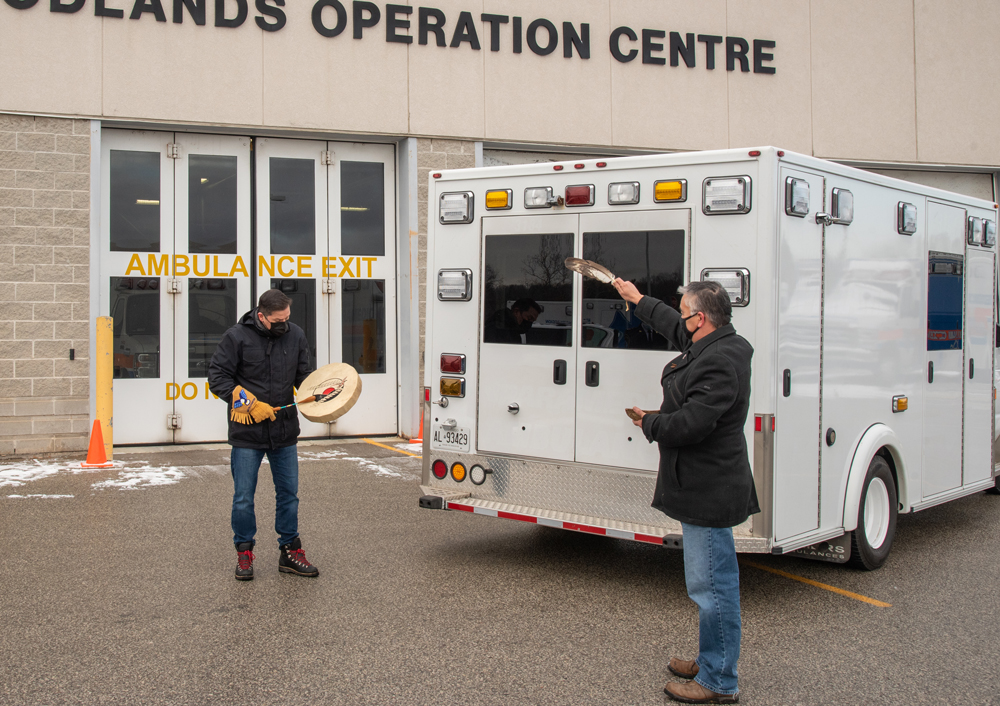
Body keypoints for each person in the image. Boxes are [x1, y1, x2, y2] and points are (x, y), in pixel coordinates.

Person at [612, 278, 759, 705]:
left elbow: (693, 423)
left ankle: (718, 679)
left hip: (707, 488)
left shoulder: (720, 360)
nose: (680, 320)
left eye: (685, 313)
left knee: (712, 586)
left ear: (702, 318)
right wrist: (638, 300)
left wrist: (650, 422)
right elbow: (671, 329)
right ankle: (710, 658)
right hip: (702, 484)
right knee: (708, 582)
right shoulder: (715, 342)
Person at [208, 288, 318, 581]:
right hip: (247, 434)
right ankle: (244, 553)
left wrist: (323, 394)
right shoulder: (236, 337)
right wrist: (247, 403)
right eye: (278, 320)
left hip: (284, 431)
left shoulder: (295, 335)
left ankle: (290, 552)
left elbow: (304, 377)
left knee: (289, 496)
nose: (284, 325)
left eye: (287, 318)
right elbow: (217, 377)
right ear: (261, 315)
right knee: (244, 497)